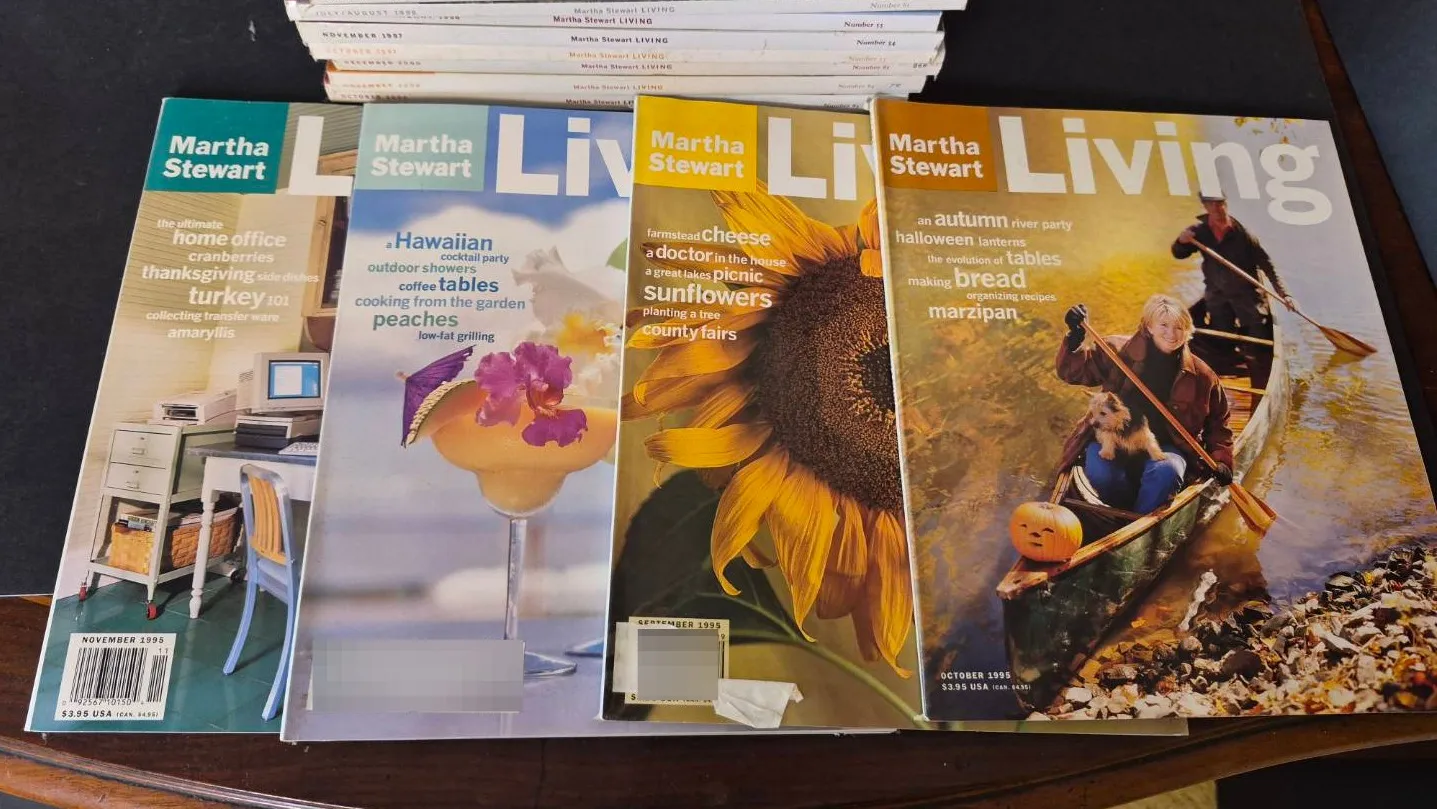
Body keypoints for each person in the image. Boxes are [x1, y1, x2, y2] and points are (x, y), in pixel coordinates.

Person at [1056, 294, 1235, 515]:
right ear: (1149, 326)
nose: (1172, 334)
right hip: (1113, 437)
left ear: (1188, 330)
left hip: (1164, 446)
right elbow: (1071, 372)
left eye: (1179, 327)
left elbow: (1219, 423)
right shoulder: (1116, 350)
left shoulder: (1203, 376)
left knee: (1167, 471)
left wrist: (1221, 459)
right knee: (1102, 473)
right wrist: (1075, 337)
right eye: (1164, 325)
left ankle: (1140, 518)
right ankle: (1120, 508)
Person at [1172, 193, 1294, 342]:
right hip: (1217, 294)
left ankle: (1251, 348)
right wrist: (1181, 242)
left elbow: (1267, 265)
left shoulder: (1244, 235)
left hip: (1247, 295)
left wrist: (1285, 294)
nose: (1216, 208)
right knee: (1221, 338)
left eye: (1219, 204)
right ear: (1205, 206)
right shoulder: (1198, 232)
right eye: (1211, 204)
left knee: (1257, 335)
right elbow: (1178, 254)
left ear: (1225, 204)